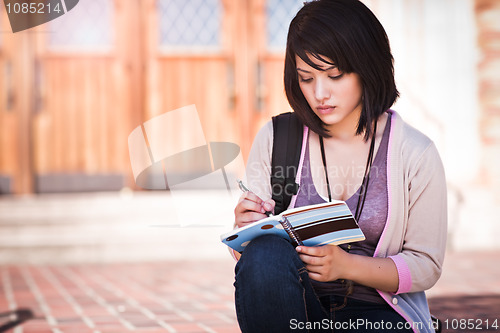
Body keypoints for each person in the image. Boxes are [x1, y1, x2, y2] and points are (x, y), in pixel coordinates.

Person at [232, 0, 447, 332]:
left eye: (335, 75)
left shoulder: (414, 153)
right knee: (263, 253)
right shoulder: (277, 138)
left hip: (379, 317)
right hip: (296, 312)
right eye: (306, 78)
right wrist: (246, 231)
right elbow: (257, 275)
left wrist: (346, 266)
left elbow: (426, 266)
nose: (319, 94)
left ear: (367, 67)